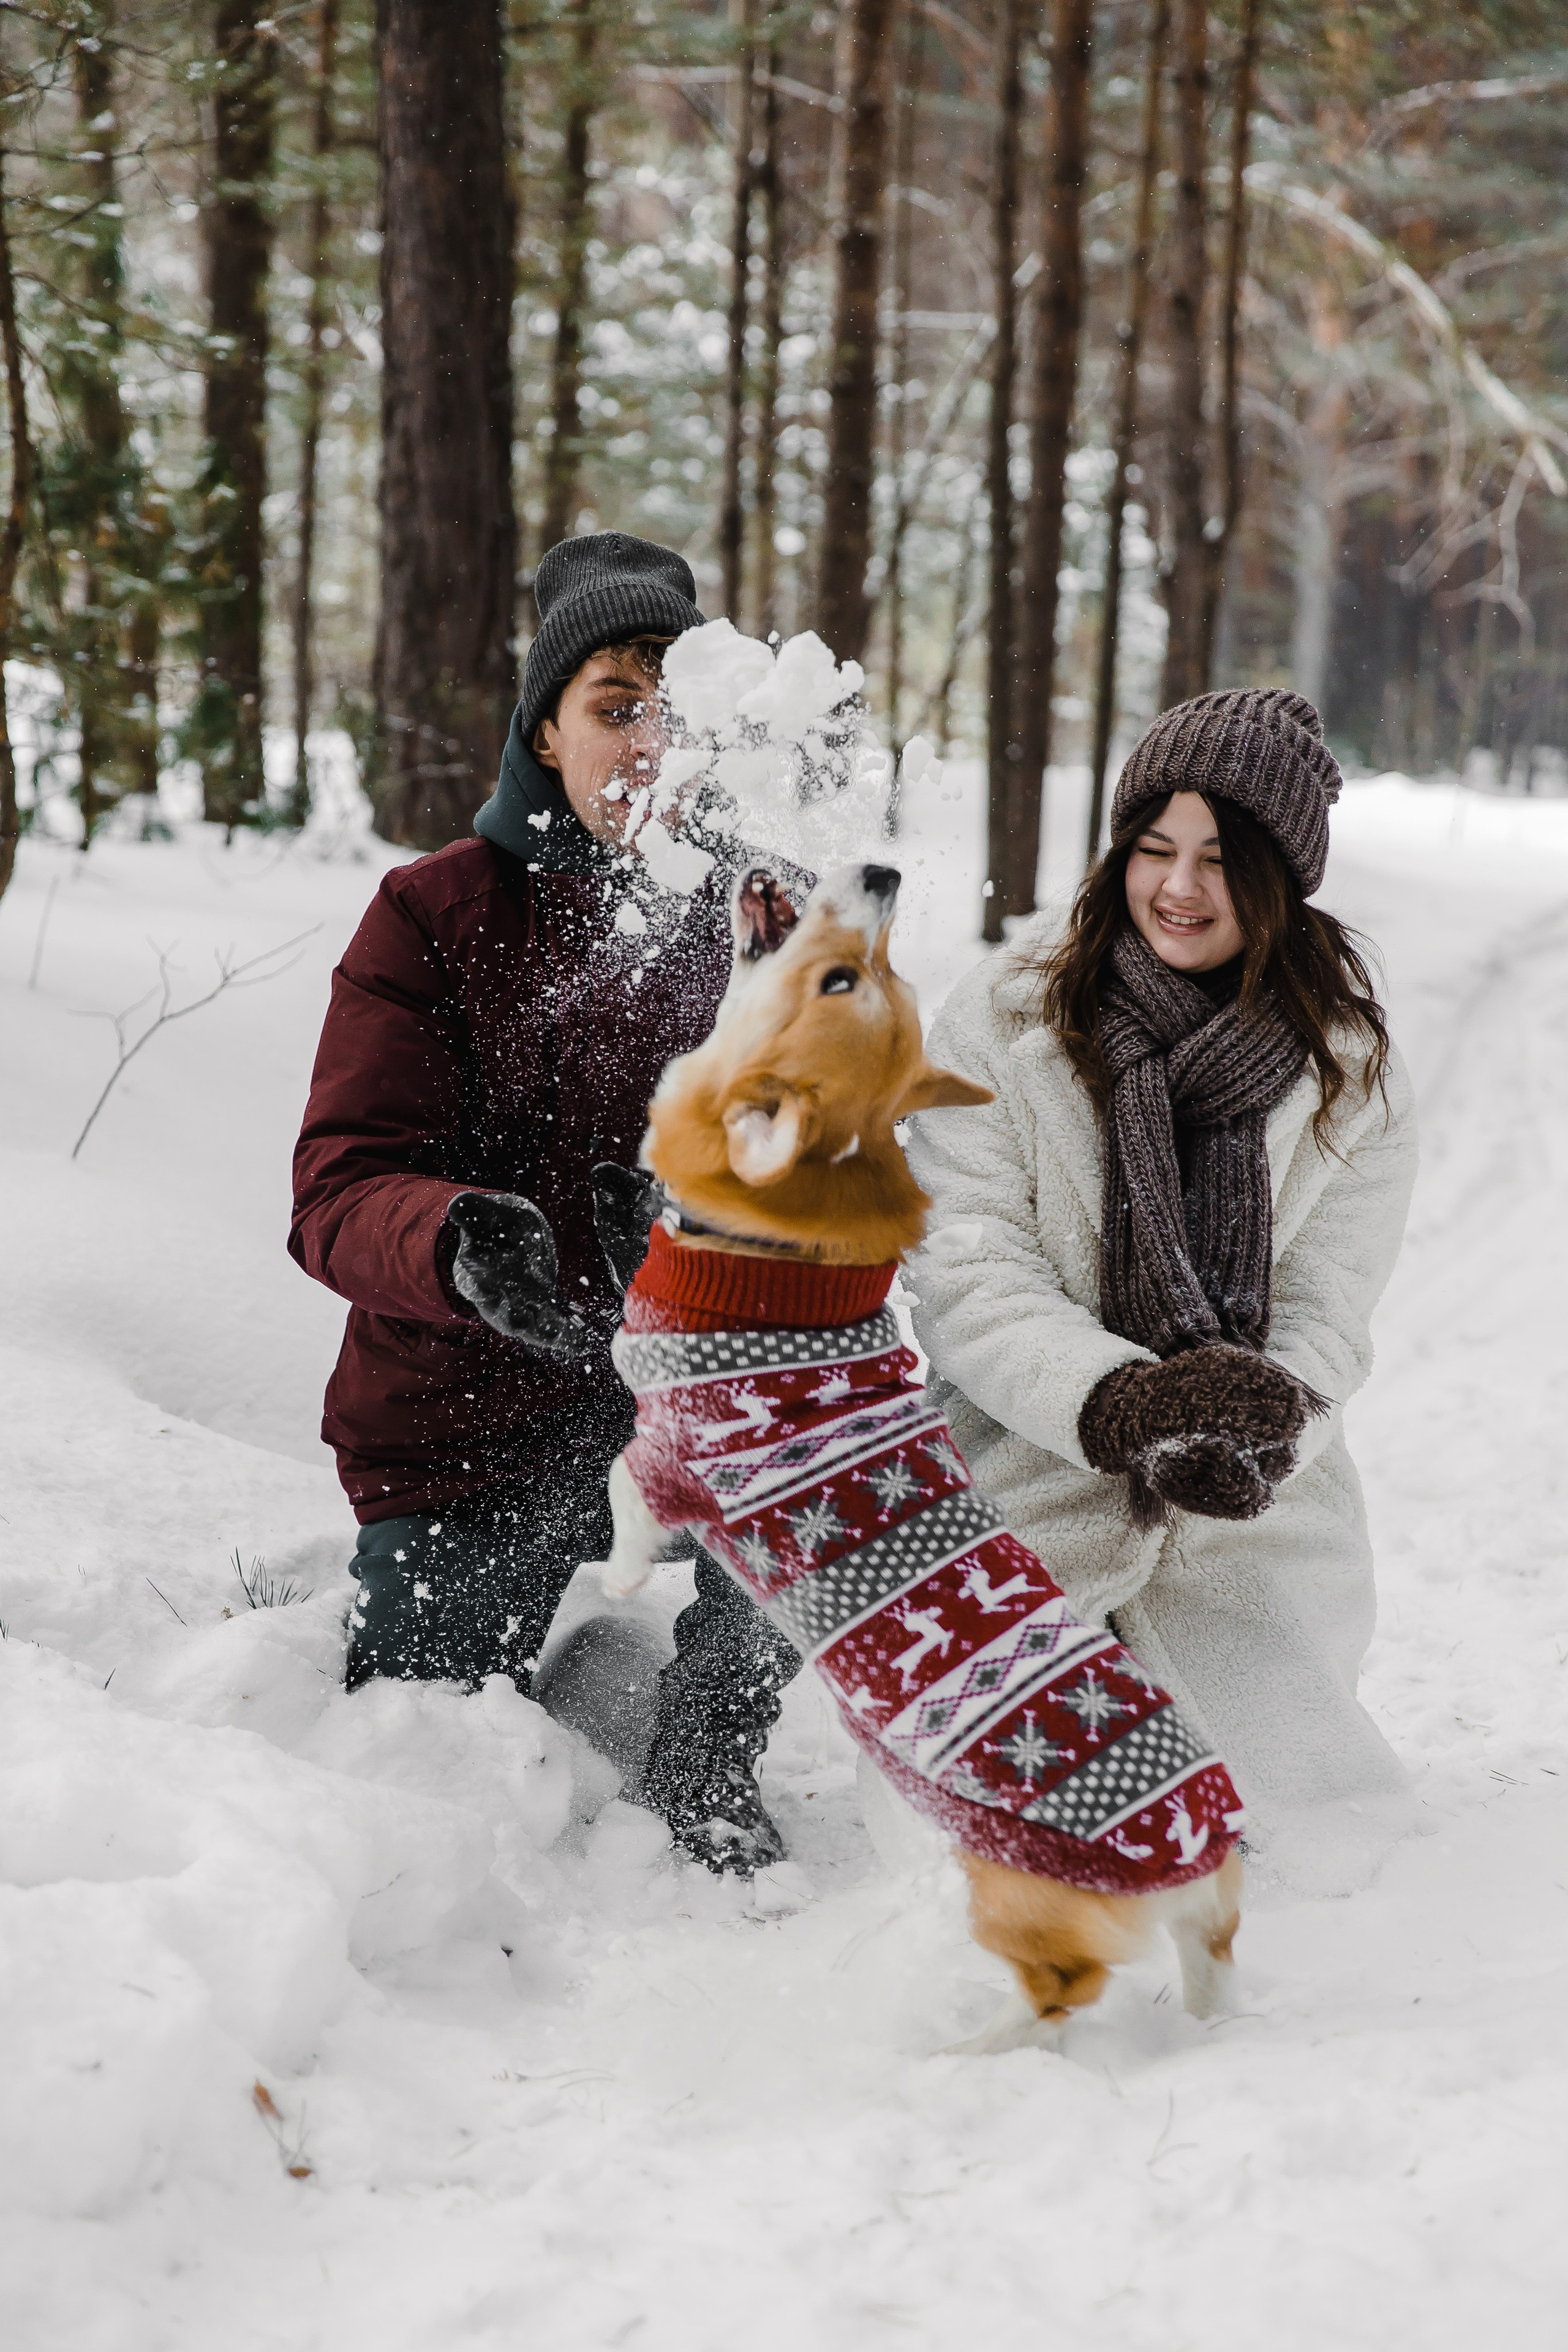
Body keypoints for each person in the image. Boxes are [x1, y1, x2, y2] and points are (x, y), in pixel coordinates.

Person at [290, 530, 799, 1872]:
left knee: (820, 1478)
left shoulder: (763, 921)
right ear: (546, 731)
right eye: (615, 707)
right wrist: (455, 1241)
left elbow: (840, 1172)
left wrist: (727, 1233)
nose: (649, 743)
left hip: (680, 1414)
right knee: (431, 1754)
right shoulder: (432, 915)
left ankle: (706, 1754)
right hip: (465, 1428)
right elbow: (338, 1188)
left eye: (676, 711)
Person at [904, 689, 1419, 1882]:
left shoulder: (1350, 1069)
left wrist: (1260, 1424)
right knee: (1010, 1845)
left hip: (1251, 1519)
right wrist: (1119, 1404)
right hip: (1029, 1471)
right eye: (1152, 848)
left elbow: (1326, 1309)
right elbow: (968, 1267)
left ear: (1281, 880)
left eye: (1220, 860)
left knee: (1307, 1849)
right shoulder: (1004, 1016)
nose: (1179, 888)